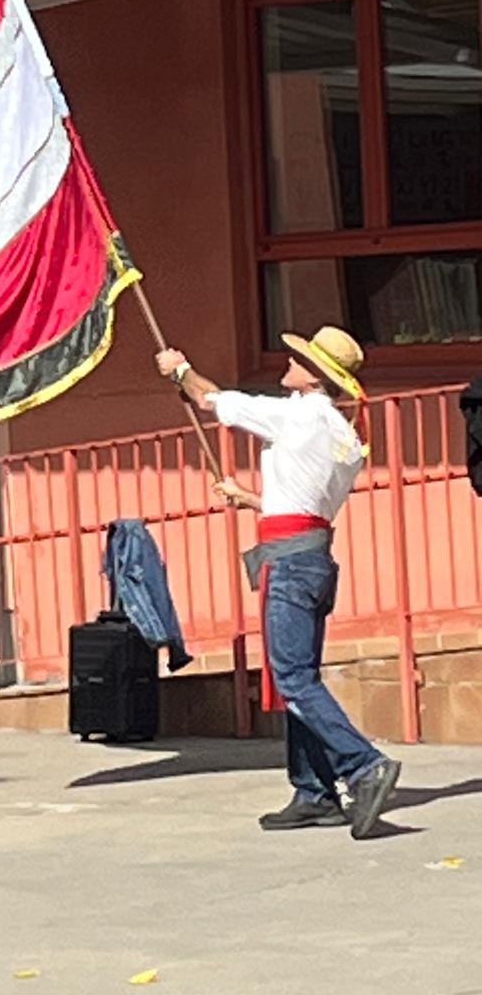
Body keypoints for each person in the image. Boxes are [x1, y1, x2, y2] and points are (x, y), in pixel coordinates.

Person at [154, 327, 401, 840]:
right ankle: (314, 791)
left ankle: (362, 764)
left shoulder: (300, 413)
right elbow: (306, 504)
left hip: (291, 562)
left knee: (292, 677)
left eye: (300, 358)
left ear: (315, 377)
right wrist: (249, 498)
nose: (289, 361)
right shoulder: (341, 432)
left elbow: (212, 399)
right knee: (299, 674)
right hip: (310, 553)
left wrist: (180, 368)